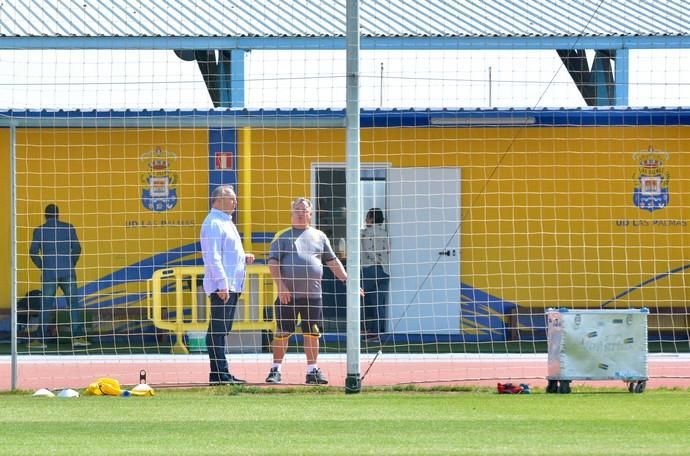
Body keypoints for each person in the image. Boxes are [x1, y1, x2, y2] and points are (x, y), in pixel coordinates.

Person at [265, 197, 349, 385]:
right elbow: (273, 262)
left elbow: (332, 261)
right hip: (288, 295)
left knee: (312, 331)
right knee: (283, 331)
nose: (300, 212)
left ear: (311, 214)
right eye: (297, 209)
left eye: (304, 209)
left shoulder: (320, 236)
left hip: (312, 295)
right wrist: (281, 286)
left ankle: (312, 371)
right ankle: (275, 370)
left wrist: (347, 280)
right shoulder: (282, 236)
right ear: (291, 213)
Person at [200, 185, 255, 385]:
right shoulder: (214, 222)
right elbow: (212, 256)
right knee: (217, 329)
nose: (236, 202)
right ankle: (218, 374)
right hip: (223, 286)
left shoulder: (225, 222)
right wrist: (222, 285)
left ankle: (221, 373)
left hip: (232, 284)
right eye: (232, 199)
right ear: (220, 200)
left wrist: (243, 257)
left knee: (222, 329)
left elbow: (225, 252)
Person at [29, 204, 88, 349]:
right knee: (73, 305)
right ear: (58, 215)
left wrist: (43, 266)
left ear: (45, 215)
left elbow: (33, 252)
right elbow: (77, 248)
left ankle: (40, 340)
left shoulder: (39, 230)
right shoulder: (68, 227)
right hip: (68, 271)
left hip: (49, 273)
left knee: (46, 306)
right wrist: (71, 263)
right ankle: (77, 338)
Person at [360, 208, 390, 341]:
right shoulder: (385, 233)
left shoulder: (366, 233)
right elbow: (388, 249)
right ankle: (376, 332)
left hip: (370, 268)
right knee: (379, 304)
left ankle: (360, 328)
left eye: (367, 217)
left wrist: (374, 258)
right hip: (384, 270)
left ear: (371, 219)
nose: (365, 220)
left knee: (357, 298)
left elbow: (367, 248)